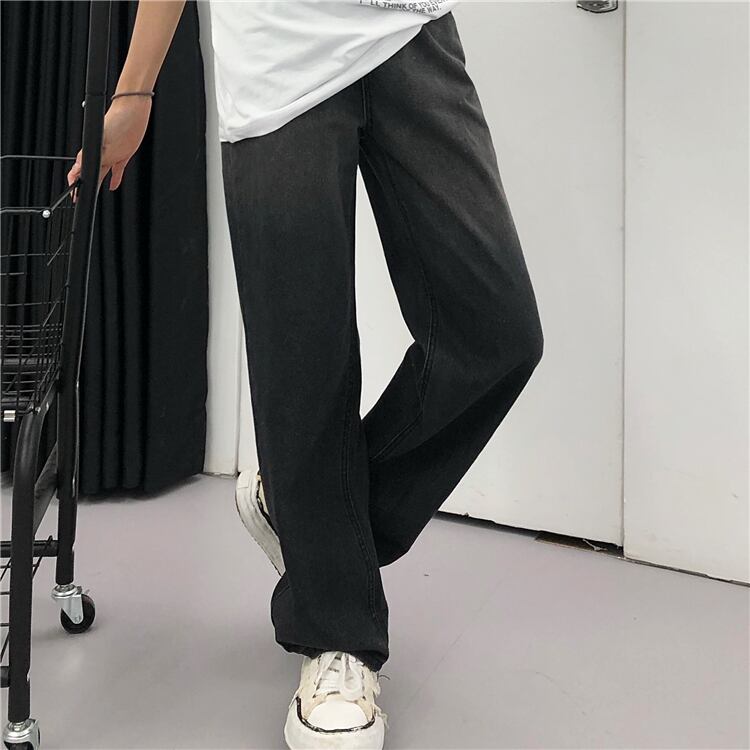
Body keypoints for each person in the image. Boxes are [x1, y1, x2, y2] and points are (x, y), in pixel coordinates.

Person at [68, 2, 544, 747]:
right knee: (304, 361)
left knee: (497, 333)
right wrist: (136, 90)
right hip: (276, 52)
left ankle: (304, 522)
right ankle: (335, 638)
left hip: (410, 31)